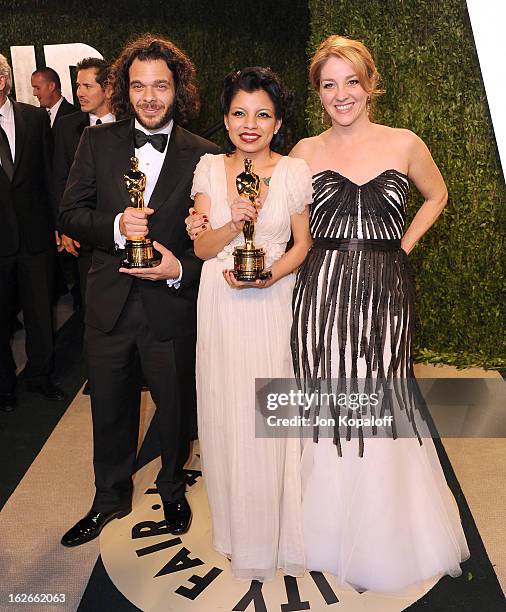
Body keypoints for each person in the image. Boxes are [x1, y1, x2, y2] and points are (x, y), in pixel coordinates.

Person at [289, 35, 469, 592]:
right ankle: (324, 530)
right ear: (318, 93)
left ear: (370, 84)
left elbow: (437, 195)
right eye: (328, 84)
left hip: (386, 289)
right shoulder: (304, 152)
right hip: (321, 292)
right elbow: (278, 224)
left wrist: (403, 247)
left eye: (350, 81)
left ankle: (384, 533)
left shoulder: (404, 143)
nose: (341, 94)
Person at [59, 34, 219, 547]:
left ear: (178, 90)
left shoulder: (206, 156)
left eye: (161, 86)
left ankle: (172, 487)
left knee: (174, 409)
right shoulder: (96, 142)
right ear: (124, 90)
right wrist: (113, 228)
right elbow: (68, 213)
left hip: (170, 305)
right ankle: (109, 498)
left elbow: (212, 242)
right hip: (107, 304)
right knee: (108, 407)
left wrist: (179, 267)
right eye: (139, 86)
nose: (150, 97)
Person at [190, 67, 312, 581]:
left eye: (262, 114)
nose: (250, 124)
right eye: (239, 113)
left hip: (272, 301)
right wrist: (231, 223)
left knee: (270, 417)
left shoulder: (294, 172)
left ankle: (278, 531)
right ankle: (238, 532)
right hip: (220, 303)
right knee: (226, 415)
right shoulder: (208, 169)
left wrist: (267, 275)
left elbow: (303, 246)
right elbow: (200, 248)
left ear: (278, 122)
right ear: (225, 118)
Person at [0, 53, 63, 413]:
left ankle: (42, 376)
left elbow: (51, 177)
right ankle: (4, 386)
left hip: (36, 234)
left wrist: (59, 223)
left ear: (2, 81)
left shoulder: (35, 118)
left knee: (41, 313)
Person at [53, 58, 113, 311]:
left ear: (108, 88)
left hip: (126, 233)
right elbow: (59, 178)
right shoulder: (68, 126)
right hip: (83, 240)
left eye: (87, 86)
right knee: (91, 311)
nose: (79, 92)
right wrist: (64, 226)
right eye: (78, 86)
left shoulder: (132, 124)